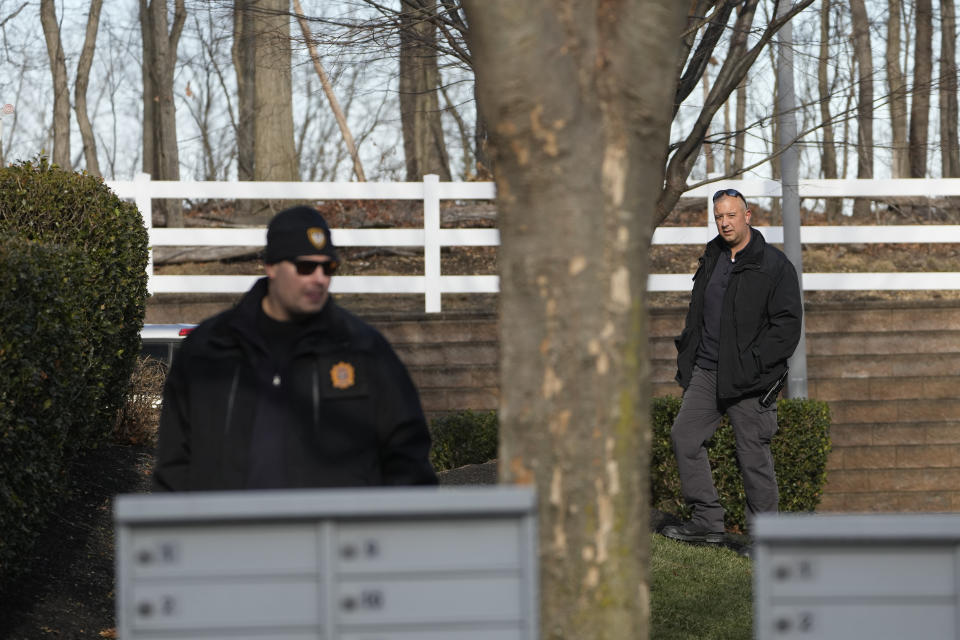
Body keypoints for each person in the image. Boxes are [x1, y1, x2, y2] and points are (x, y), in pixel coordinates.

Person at [153, 205, 438, 491]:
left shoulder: (363, 349)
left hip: (338, 533)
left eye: (328, 268)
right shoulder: (208, 350)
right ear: (271, 266)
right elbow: (174, 468)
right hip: (228, 532)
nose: (319, 278)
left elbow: (409, 458)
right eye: (305, 267)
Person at [662, 188, 802, 544]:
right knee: (685, 437)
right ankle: (707, 521)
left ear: (748, 215)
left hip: (750, 380)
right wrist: (688, 354)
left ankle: (765, 538)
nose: (724, 223)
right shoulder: (712, 256)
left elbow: (786, 326)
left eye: (731, 215)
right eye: (719, 217)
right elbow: (699, 312)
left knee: (752, 456)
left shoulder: (773, 265)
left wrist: (755, 363)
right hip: (707, 372)